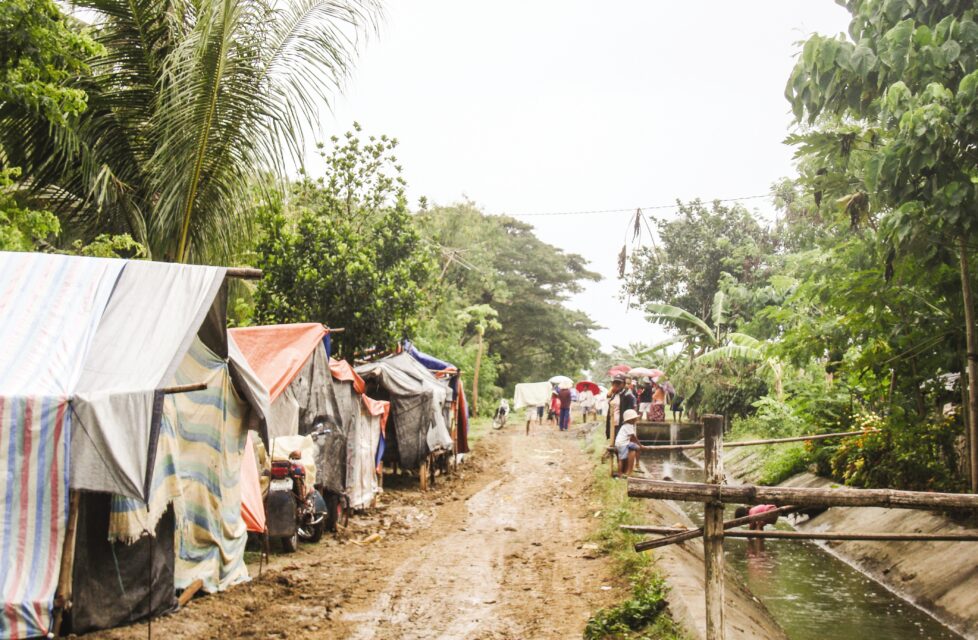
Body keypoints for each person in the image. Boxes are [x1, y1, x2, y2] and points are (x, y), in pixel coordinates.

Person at [614, 409, 642, 476]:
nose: (635, 420)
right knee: (621, 459)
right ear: (630, 420)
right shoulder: (628, 426)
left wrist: (639, 445)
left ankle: (637, 464)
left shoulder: (629, 425)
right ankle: (620, 473)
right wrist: (640, 444)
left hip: (624, 442)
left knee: (637, 448)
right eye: (634, 419)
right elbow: (633, 437)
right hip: (622, 444)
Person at [606, 376, 624, 440]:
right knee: (613, 439)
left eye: (618, 384)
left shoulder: (623, 395)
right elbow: (608, 395)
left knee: (618, 439)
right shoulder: (613, 395)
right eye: (615, 384)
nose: (617, 385)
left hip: (620, 422)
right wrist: (613, 388)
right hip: (612, 420)